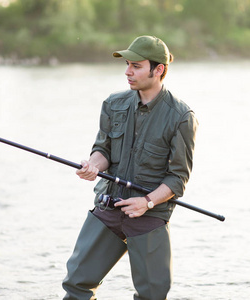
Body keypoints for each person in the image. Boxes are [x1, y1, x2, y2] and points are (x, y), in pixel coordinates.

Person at [62, 35, 198, 300]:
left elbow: (178, 179)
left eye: (136, 65)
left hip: (149, 217)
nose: (128, 71)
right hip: (107, 207)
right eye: (127, 64)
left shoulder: (182, 117)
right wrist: (92, 165)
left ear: (158, 69)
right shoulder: (113, 104)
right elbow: (103, 150)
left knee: (153, 295)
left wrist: (146, 202)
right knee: (76, 285)